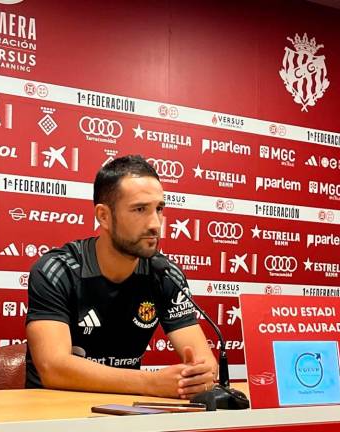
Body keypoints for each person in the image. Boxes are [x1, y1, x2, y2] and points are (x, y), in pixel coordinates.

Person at [24, 155, 217, 398]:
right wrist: (151, 383)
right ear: (104, 216)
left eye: (159, 209)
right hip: (54, 413)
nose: (155, 224)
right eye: (140, 209)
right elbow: (54, 368)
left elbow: (205, 366)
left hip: (125, 410)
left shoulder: (165, 274)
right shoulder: (58, 269)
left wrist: (198, 377)